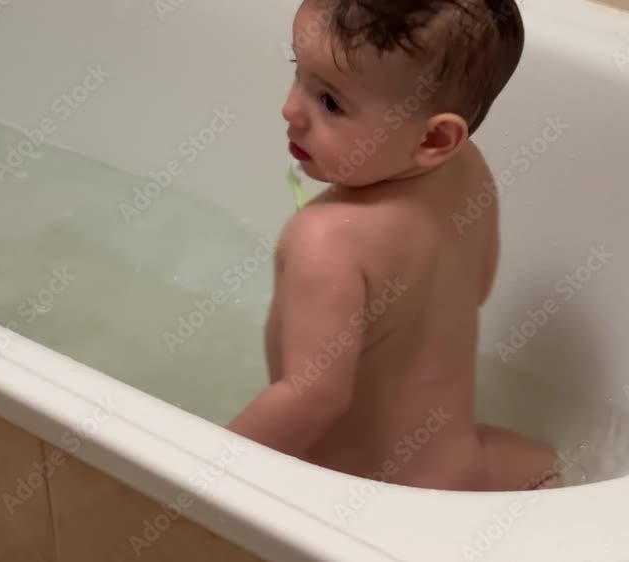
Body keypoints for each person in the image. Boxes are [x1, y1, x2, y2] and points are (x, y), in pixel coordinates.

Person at [227, 0, 560, 491]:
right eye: (300, 71)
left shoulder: (325, 241)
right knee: (550, 464)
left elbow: (312, 396)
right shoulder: (467, 168)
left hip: (364, 495)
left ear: (434, 140)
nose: (291, 109)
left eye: (330, 102)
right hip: (458, 468)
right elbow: (479, 286)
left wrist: (203, 468)